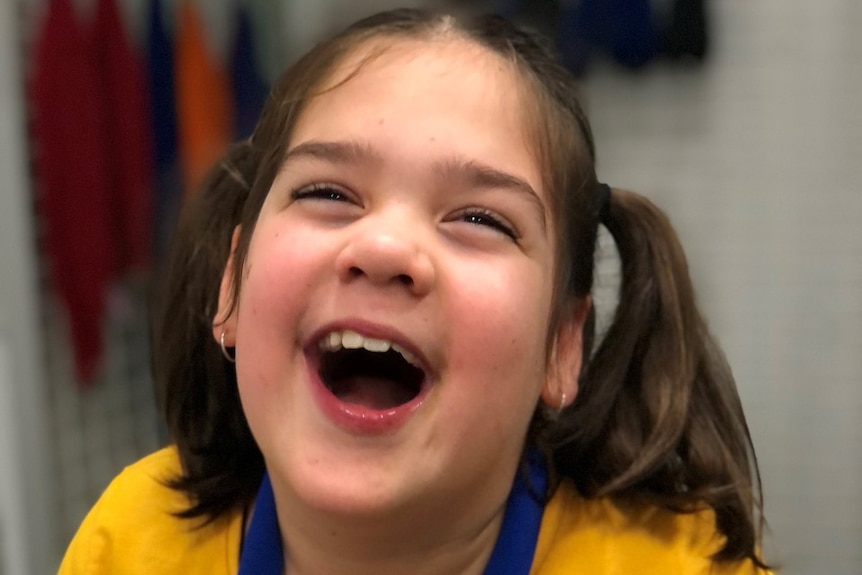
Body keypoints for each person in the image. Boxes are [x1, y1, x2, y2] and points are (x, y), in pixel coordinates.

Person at [59, 8, 772, 575]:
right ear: (231, 288)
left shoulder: (682, 568)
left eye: (480, 218)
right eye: (328, 191)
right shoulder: (129, 543)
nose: (384, 247)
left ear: (562, 347)